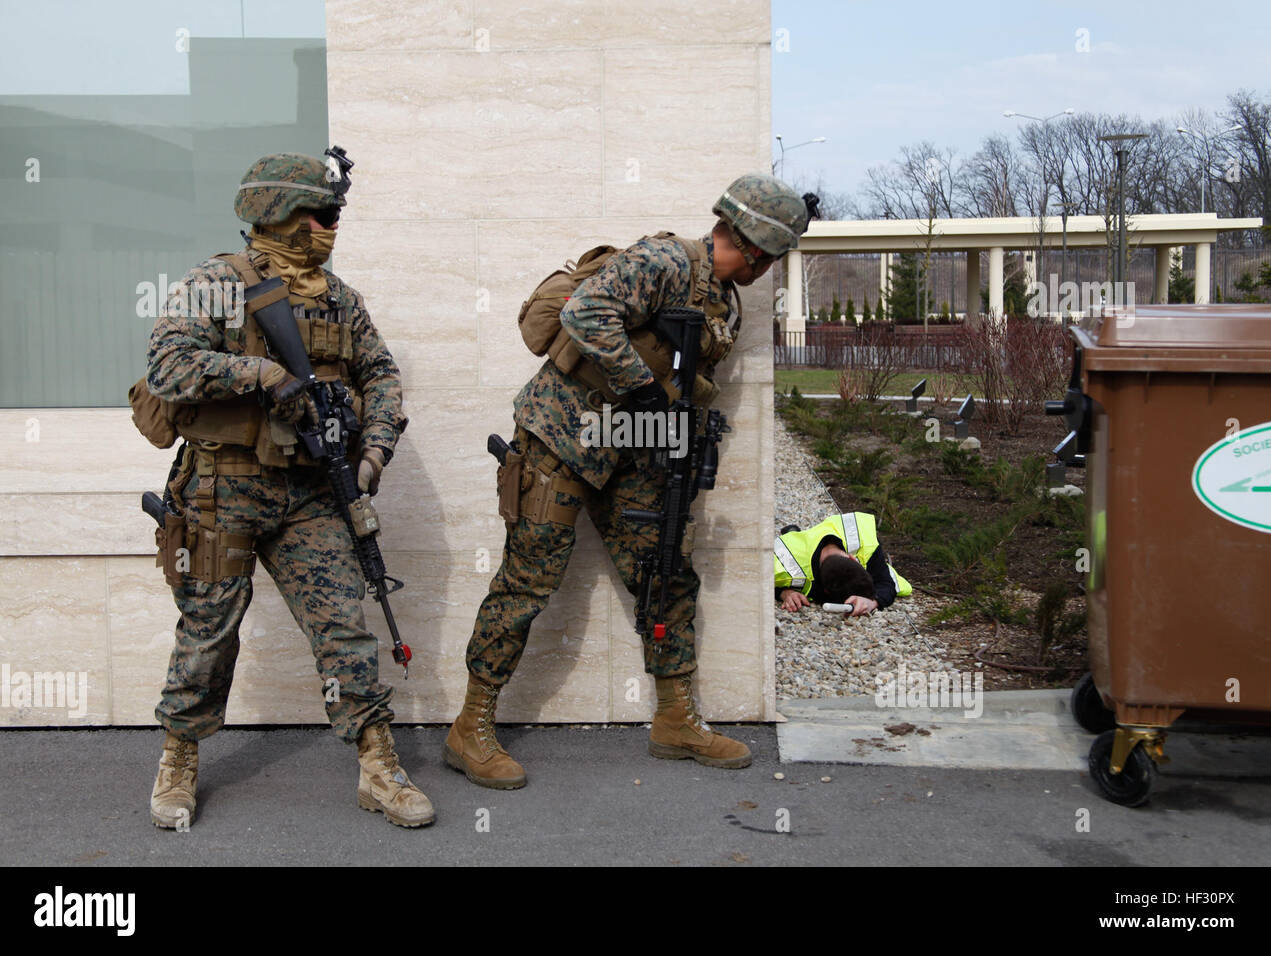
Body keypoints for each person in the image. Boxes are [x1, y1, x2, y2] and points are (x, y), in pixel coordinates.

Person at [446, 174, 818, 789]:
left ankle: (675, 719)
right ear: (757, 248)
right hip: (562, 437)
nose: (770, 268)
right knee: (527, 581)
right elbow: (584, 312)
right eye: (774, 257)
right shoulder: (666, 262)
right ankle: (470, 727)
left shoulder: (725, 301)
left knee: (665, 571)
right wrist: (643, 388)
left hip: (634, 450)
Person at [140, 149, 433, 829]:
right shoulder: (219, 282)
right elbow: (167, 366)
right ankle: (179, 758)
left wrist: (375, 451)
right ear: (279, 213)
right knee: (209, 631)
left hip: (311, 493)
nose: (331, 227)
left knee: (344, 627)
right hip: (224, 489)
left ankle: (378, 764)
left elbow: (381, 376)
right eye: (321, 214)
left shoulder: (339, 298)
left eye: (334, 215)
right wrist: (260, 374)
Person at [774, 511, 912, 615]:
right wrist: (785, 592)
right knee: (792, 539)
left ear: (853, 558)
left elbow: (886, 583)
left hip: (833, 530)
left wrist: (873, 602)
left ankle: (795, 532)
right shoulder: (781, 561)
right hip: (797, 547)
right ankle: (792, 534)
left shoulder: (865, 540)